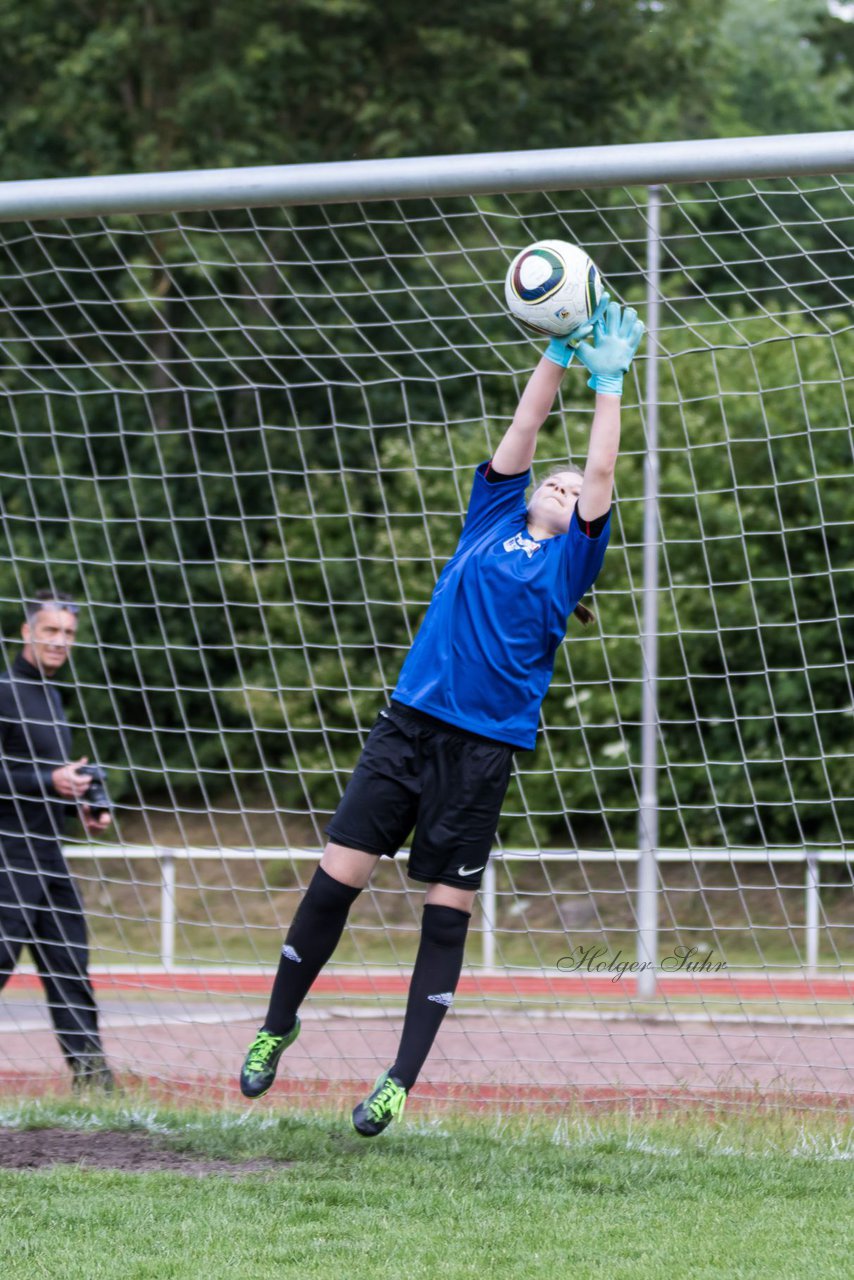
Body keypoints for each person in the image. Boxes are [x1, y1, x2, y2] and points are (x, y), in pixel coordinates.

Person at [240, 298, 644, 1134]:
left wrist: (610, 381)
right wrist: (561, 349)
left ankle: (397, 1079)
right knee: (335, 882)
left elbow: (603, 475)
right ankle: (277, 1022)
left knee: (444, 912)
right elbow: (528, 422)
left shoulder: (571, 564)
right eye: (554, 481)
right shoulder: (489, 522)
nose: (563, 486)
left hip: (482, 752)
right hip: (406, 728)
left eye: (573, 489)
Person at [0, 590, 114, 1090]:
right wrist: (49, 781)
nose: (60, 641)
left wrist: (83, 798)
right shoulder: (4, 690)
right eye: (50, 630)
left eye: (67, 633)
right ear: (27, 632)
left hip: (50, 852)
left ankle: (94, 1083)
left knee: (70, 965)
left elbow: (51, 774)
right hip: (8, 852)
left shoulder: (52, 695)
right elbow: (26, 775)